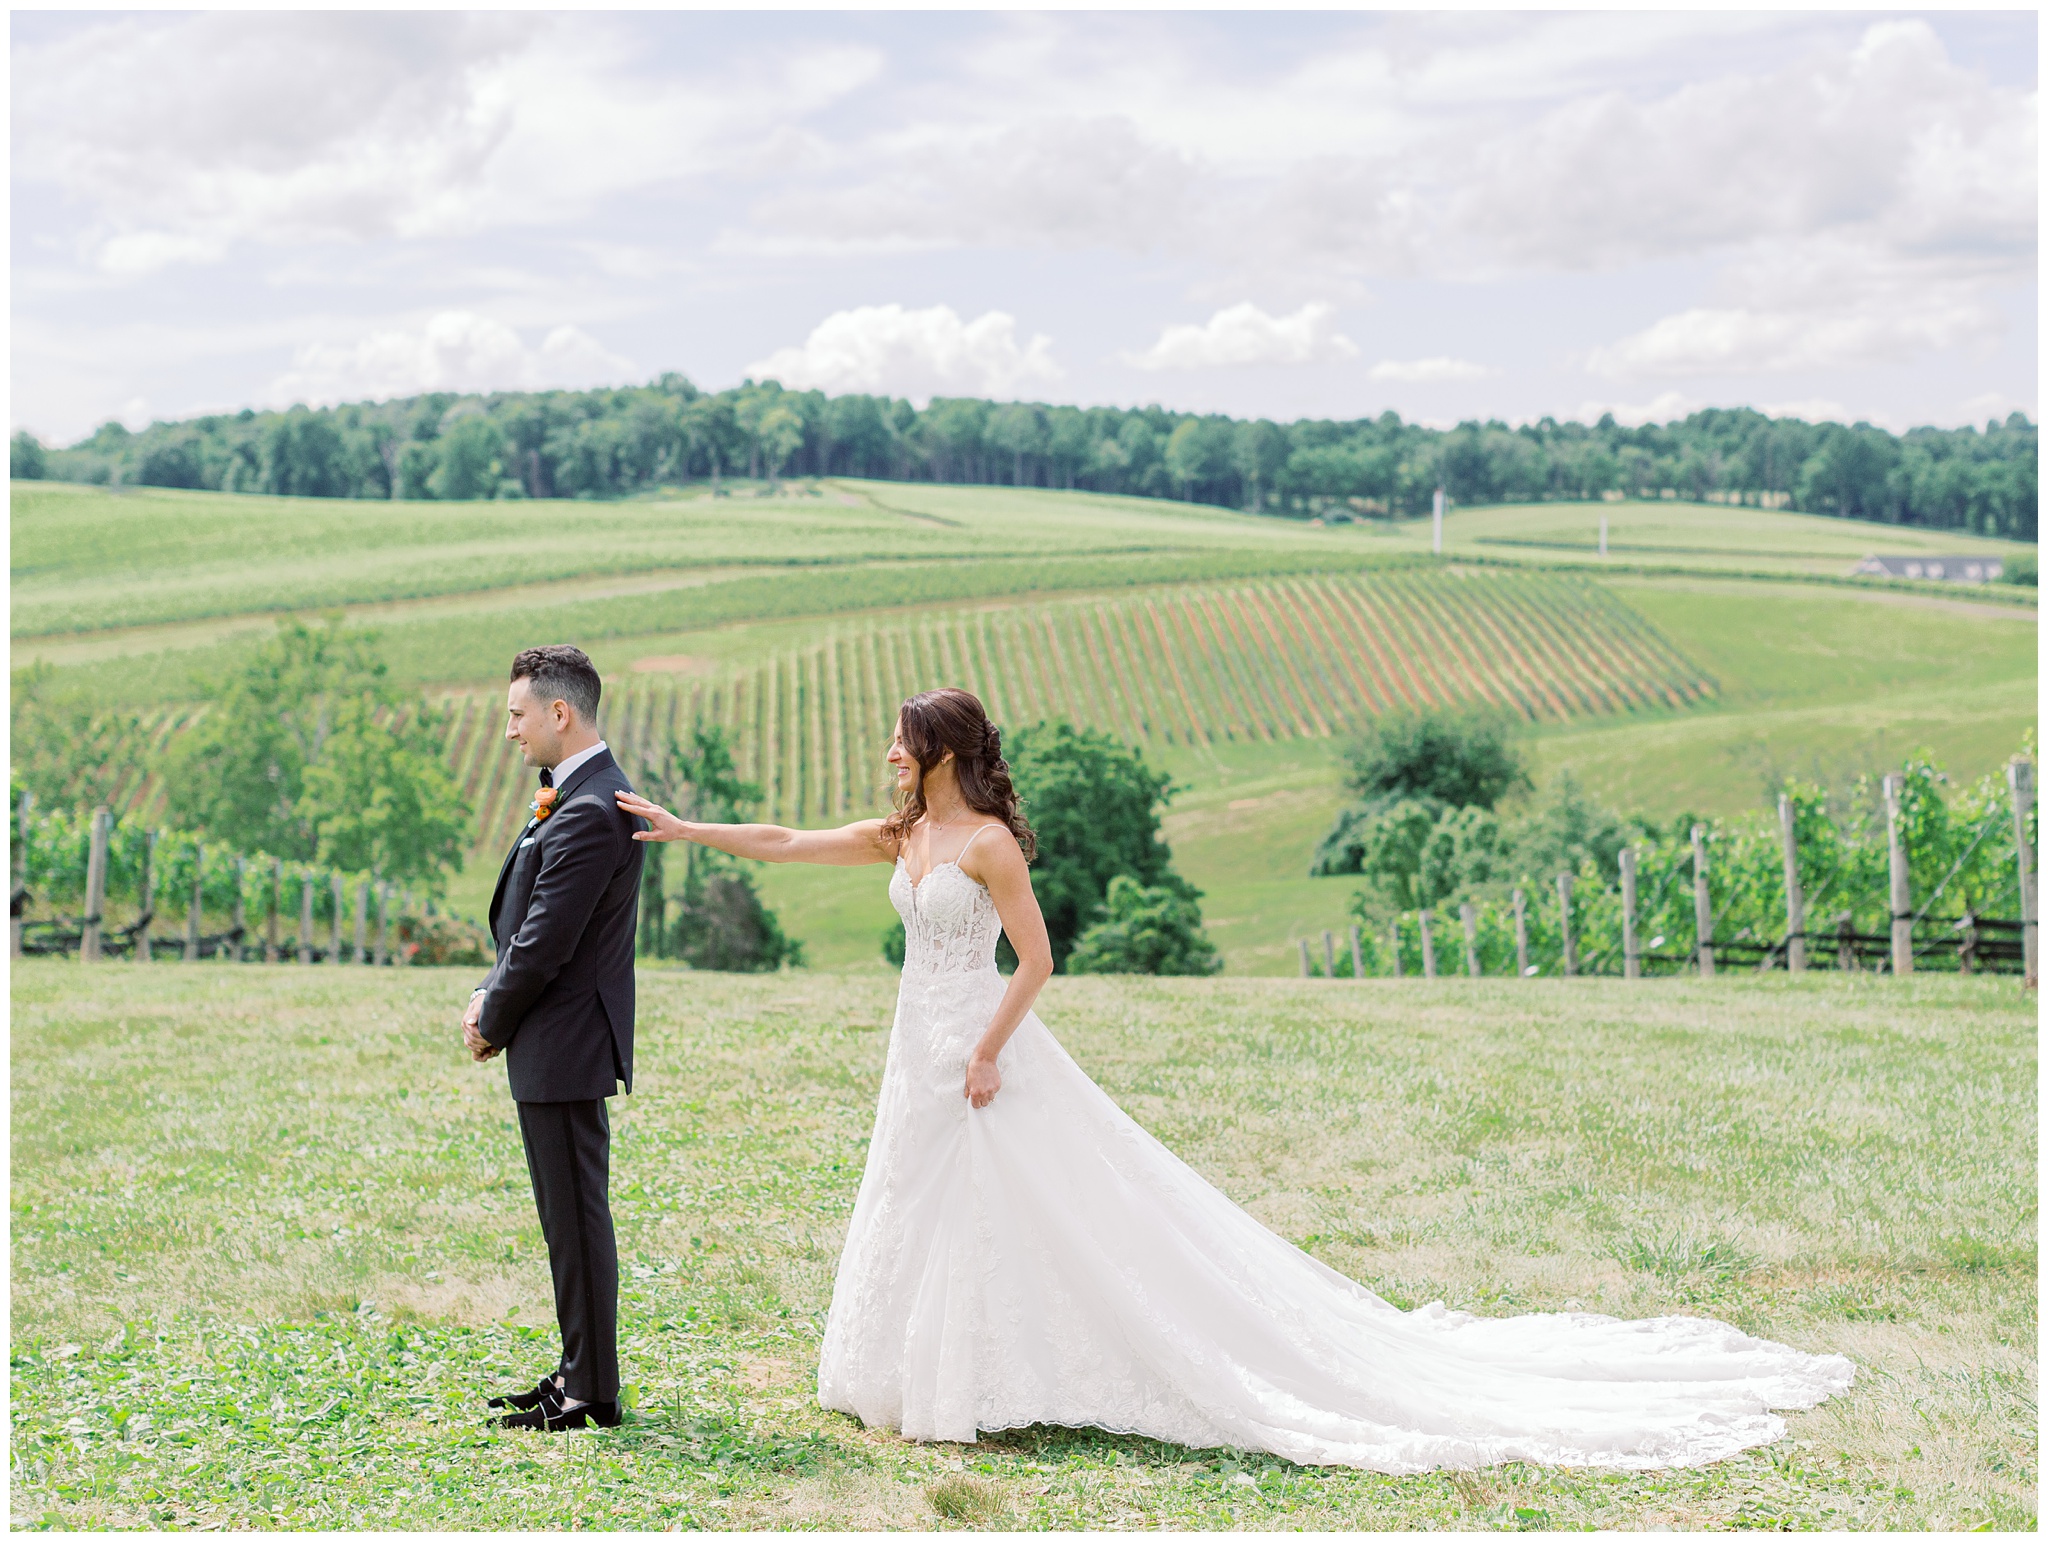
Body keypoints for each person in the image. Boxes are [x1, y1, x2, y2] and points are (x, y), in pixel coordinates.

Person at [615, 686, 1853, 1472]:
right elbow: (783, 841)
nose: (887, 755)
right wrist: (680, 828)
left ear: (941, 752)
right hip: (910, 1047)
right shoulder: (906, 835)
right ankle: (914, 1368)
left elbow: (1038, 958)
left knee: (1042, 1206)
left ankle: (986, 1374)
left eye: (900, 741)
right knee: (918, 1203)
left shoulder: (985, 843)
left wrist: (989, 1048)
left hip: (976, 1047)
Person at [465, 645, 644, 1432]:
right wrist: (487, 992)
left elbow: (545, 943)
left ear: (558, 713)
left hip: (565, 1045)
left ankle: (590, 1395)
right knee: (566, 1219)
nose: (510, 731)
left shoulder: (594, 806)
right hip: (555, 1043)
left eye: (517, 714)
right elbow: (526, 932)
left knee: (575, 1218)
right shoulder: (575, 796)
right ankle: (581, 1372)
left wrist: (488, 1019)